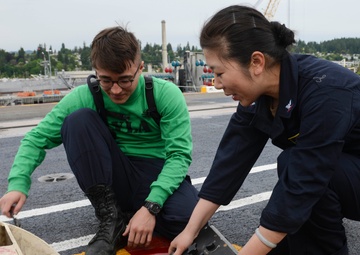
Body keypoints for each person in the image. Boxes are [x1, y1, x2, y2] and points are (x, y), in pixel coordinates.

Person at [168, 5, 360, 255]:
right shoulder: (259, 98)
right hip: (342, 169)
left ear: (256, 62)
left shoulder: (326, 91)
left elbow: (305, 180)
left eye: (220, 72)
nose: (216, 83)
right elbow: (228, 166)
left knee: (294, 170)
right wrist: (189, 231)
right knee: (286, 201)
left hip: (341, 171)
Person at [0, 26, 199, 255]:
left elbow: (179, 155)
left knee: (188, 221)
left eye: (125, 80)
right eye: (106, 80)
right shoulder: (85, 96)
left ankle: (131, 214)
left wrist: (151, 207)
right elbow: (36, 139)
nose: (115, 90)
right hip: (114, 172)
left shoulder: (165, 94)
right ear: (96, 71)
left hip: (154, 169)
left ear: (140, 68)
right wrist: (17, 184)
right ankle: (111, 218)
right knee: (77, 120)